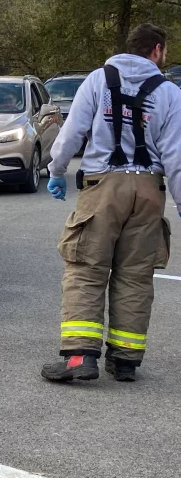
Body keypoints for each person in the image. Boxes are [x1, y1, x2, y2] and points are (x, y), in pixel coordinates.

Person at [41, 23, 181, 383]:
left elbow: (72, 132)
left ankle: (79, 359)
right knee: (135, 276)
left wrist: (56, 170)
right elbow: (176, 157)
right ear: (157, 51)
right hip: (149, 189)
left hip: (102, 186)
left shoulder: (97, 80)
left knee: (87, 268)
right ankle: (125, 360)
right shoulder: (169, 93)